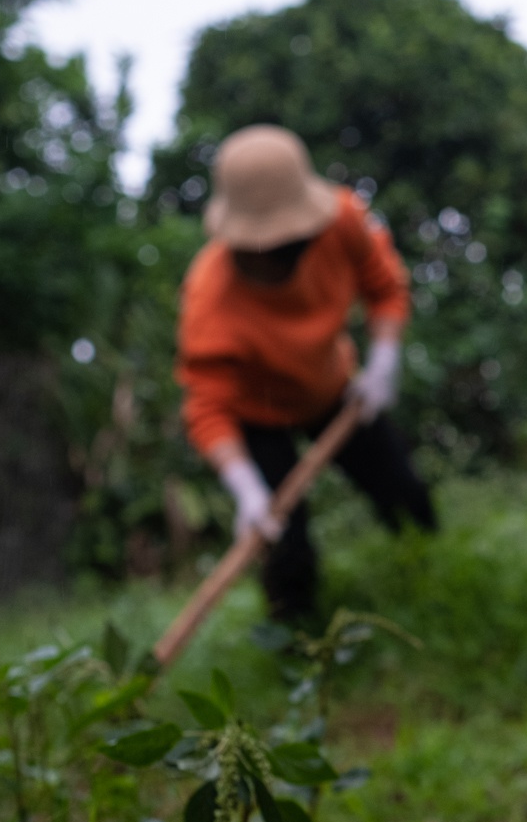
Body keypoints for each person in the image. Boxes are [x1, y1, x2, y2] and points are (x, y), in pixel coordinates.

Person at [176, 123, 437, 625]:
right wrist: (246, 490)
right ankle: (295, 646)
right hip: (258, 418)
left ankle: (430, 583)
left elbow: (384, 286)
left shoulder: (339, 221)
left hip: (335, 390)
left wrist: (384, 360)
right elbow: (208, 407)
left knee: (404, 493)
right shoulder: (211, 300)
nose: (286, 251)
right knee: (285, 548)